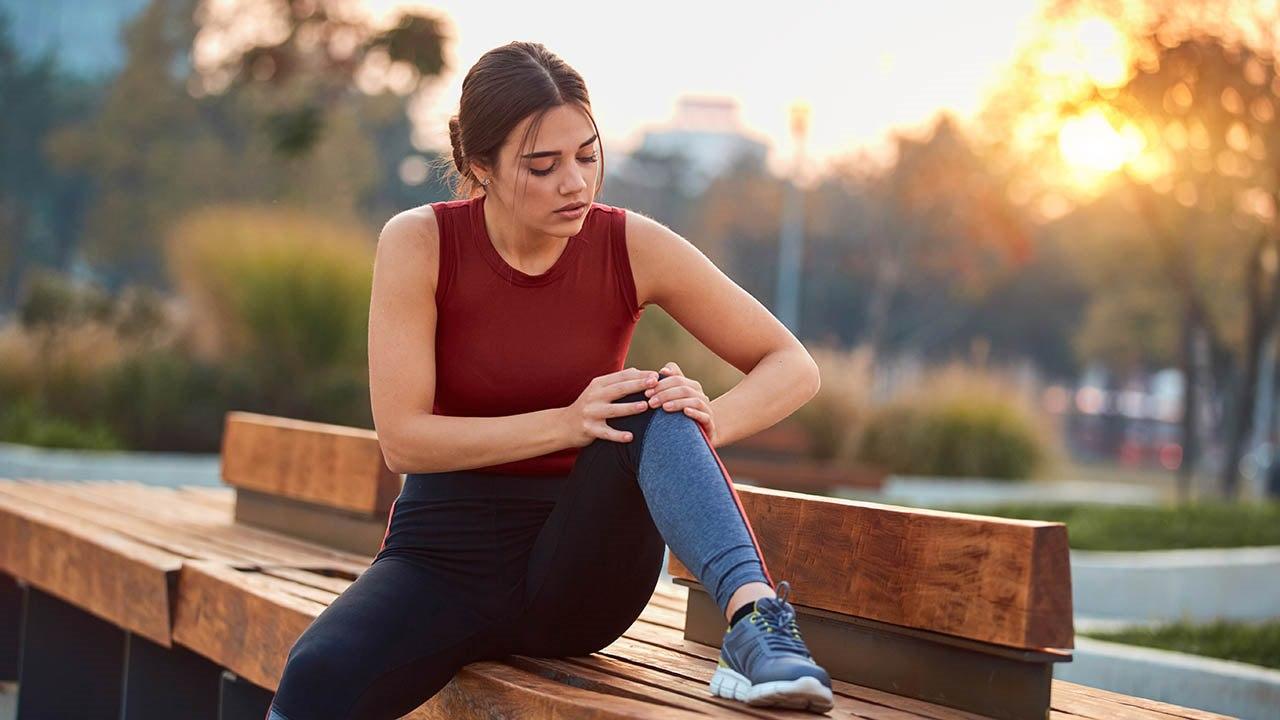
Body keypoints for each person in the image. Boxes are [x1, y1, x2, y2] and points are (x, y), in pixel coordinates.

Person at [265, 41, 833, 719]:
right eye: (544, 165)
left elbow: (792, 365)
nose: (576, 184)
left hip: (583, 572)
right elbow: (404, 442)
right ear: (481, 166)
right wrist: (567, 422)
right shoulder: (419, 243)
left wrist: (703, 416)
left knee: (645, 398)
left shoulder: (629, 244)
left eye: (588, 156)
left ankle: (756, 627)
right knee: (315, 674)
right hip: (441, 559)